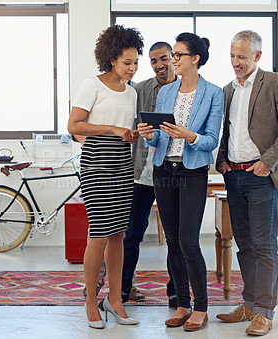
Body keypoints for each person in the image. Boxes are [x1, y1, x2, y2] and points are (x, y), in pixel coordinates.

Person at [215, 30, 278, 336]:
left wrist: (269, 160)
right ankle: (249, 305)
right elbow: (225, 131)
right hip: (233, 175)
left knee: (264, 246)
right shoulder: (227, 90)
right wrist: (221, 160)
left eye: (241, 57)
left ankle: (265, 312)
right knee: (245, 245)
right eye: (232, 56)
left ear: (257, 56)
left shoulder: (275, 82)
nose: (235, 63)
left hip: (261, 176)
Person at [138, 32, 224, 332]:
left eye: (177, 55)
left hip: (192, 172)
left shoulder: (213, 93)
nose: (171, 60)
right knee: (173, 243)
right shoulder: (165, 92)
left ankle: (201, 307)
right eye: (172, 55)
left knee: (189, 242)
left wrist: (190, 136)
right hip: (163, 170)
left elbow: (212, 140)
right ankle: (183, 305)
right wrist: (150, 135)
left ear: (194, 59)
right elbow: (158, 138)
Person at [67, 24, 143, 329]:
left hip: (122, 164)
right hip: (97, 162)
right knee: (98, 233)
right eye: (127, 62)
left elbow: (125, 129)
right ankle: (90, 302)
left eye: (136, 62)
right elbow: (74, 125)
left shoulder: (132, 93)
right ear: (111, 58)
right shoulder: (92, 85)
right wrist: (112, 129)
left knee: (118, 235)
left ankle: (115, 300)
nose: (133, 68)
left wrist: (132, 135)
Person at [121, 41, 178, 306]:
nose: (159, 65)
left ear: (174, 58)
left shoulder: (186, 89)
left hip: (173, 173)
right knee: (132, 234)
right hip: (141, 174)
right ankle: (123, 288)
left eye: (164, 58)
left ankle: (175, 290)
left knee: (175, 236)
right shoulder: (139, 89)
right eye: (154, 61)